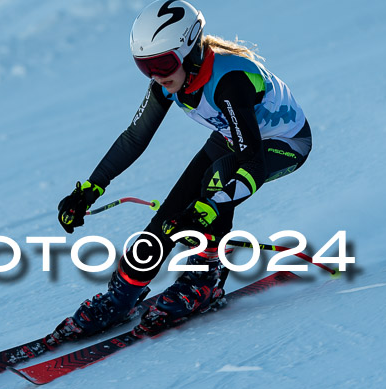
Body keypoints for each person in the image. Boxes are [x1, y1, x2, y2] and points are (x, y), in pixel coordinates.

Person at [48, 0, 312, 344]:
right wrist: (90, 189)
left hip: (282, 144)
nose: (156, 75)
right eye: (145, 66)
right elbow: (134, 138)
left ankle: (205, 278)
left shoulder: (231, 82)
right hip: (233, 135)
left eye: (161, 63)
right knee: (168, 217)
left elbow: (253, 165)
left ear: (189, 52)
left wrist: (205, 212)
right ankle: (120, 297)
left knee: (213, 186)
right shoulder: (169, 79)